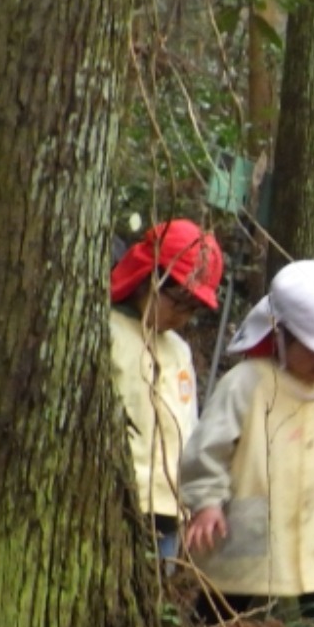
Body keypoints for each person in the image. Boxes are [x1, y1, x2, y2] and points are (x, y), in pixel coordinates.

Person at [180, 259, 314, 625]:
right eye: (313, 350)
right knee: (222, 608)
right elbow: (208, 449)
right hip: (247, 533)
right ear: (280, 332)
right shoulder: (246, 383)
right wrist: (206, 501)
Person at [108, 219, 224, 560]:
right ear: (147, 277)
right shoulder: (108, 332)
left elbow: (189, 432)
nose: (182, 317)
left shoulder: (179, 351)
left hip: (169, 510)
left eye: (193, 309)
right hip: (120, 499)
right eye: (177, 301)